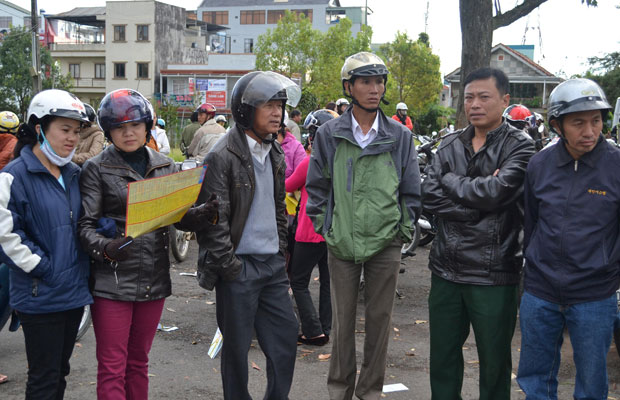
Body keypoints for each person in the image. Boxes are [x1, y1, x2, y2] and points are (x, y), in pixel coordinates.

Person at [78, 89, 217, 400]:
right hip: (112, 281)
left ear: (147, 126)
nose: (128, 133)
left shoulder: (165, 165)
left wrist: (201, 215)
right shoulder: (96, 168)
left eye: (135, 125)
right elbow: (85, 227)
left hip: (154, 279)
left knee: (139, 363)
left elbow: (175, 218)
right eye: (119, 127)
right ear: (109, 130)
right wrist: (105, 248)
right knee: (113, 366)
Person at [306, 51, 421, 400]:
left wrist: (401, 232)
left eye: (379, 82)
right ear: (349, 87)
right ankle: (339, 391)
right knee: (341, 326)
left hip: (386, 244)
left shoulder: (400, 137)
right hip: (341, 243)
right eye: (366, 82)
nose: (374, 89)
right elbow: (317, 188)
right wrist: (327, 229)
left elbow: (411, 192)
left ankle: (369, 392)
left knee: (379, 323)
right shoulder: (329, 134)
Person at [421, 67, 535, 400]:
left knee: (494, 361)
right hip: (446, 269)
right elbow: (428, 194)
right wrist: (476, 205)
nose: (475, 104)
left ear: (504, 100)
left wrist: (452, 182)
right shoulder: (451, 143)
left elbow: (498, 192)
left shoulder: (521, 146)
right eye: (469, 97)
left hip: (494, 271)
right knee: (442, 358)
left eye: (484, 97)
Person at [195, 71, 300, 400]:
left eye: (280, 105)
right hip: (238, 267)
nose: (277, 112)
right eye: (268, 105)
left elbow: (279, 209)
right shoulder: (222, 155)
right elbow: (214, 221)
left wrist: (281, 251)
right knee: (237, 354)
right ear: (244, 110)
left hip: (271, 265)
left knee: (285, 342)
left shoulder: (276, 152)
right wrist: (231, 267)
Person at [516, 78, 620, 399]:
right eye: (578, 122)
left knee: (591, 383)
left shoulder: (616, 166)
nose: (590, 131)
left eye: (596, 120)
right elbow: (530, 222)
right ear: (557, 125)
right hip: (540, 292)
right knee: (535, 378)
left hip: (595, 295)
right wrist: (534, 268)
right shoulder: (540, 165)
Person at [0, 89, 93, 399]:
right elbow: (8, 236)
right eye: (64, 130)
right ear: (39, 128)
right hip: (40, 295)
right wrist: (44, 268)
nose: (72, 138)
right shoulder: (14, 176)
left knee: (60, 374)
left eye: (76, 131)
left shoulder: (74, 174)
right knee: (42, 378)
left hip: (73, 295)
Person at [287, 109, 336, 347]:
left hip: (308, 230)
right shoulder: (342, 163)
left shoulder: (311, 162)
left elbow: (288, 185)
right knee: (328, 282)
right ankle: (325, 328)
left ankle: (312, 330)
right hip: (334, 230)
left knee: (298, 281)